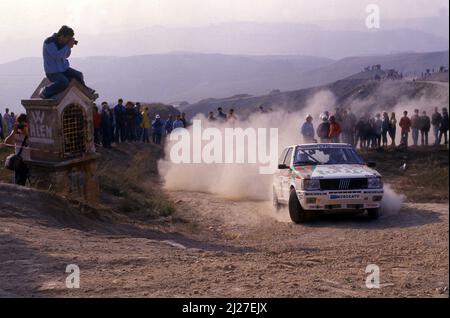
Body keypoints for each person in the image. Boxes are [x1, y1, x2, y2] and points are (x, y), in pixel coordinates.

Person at [40, 26, 96, 99]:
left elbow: (66, 55)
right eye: (68, 38)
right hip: (53, 72)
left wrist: (68, 47)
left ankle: (85, 89)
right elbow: (57, 56)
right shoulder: (49, 42)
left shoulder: (63, 44)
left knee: (78, 75)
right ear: (62, 36)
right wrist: (67, 46)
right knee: (64, 82)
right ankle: (45, 92)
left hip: (64, 69)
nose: (68, 40)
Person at [3, 114, 30, 185]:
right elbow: (7, 143)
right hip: (20, 163)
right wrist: (14, 131)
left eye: (23, 124)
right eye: (20, 124)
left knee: (34, 184)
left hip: (31, 163)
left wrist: (26, 133)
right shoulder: (16, 131)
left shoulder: (31, 131)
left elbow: (34, 142)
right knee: (19, 185)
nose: (21, 127)